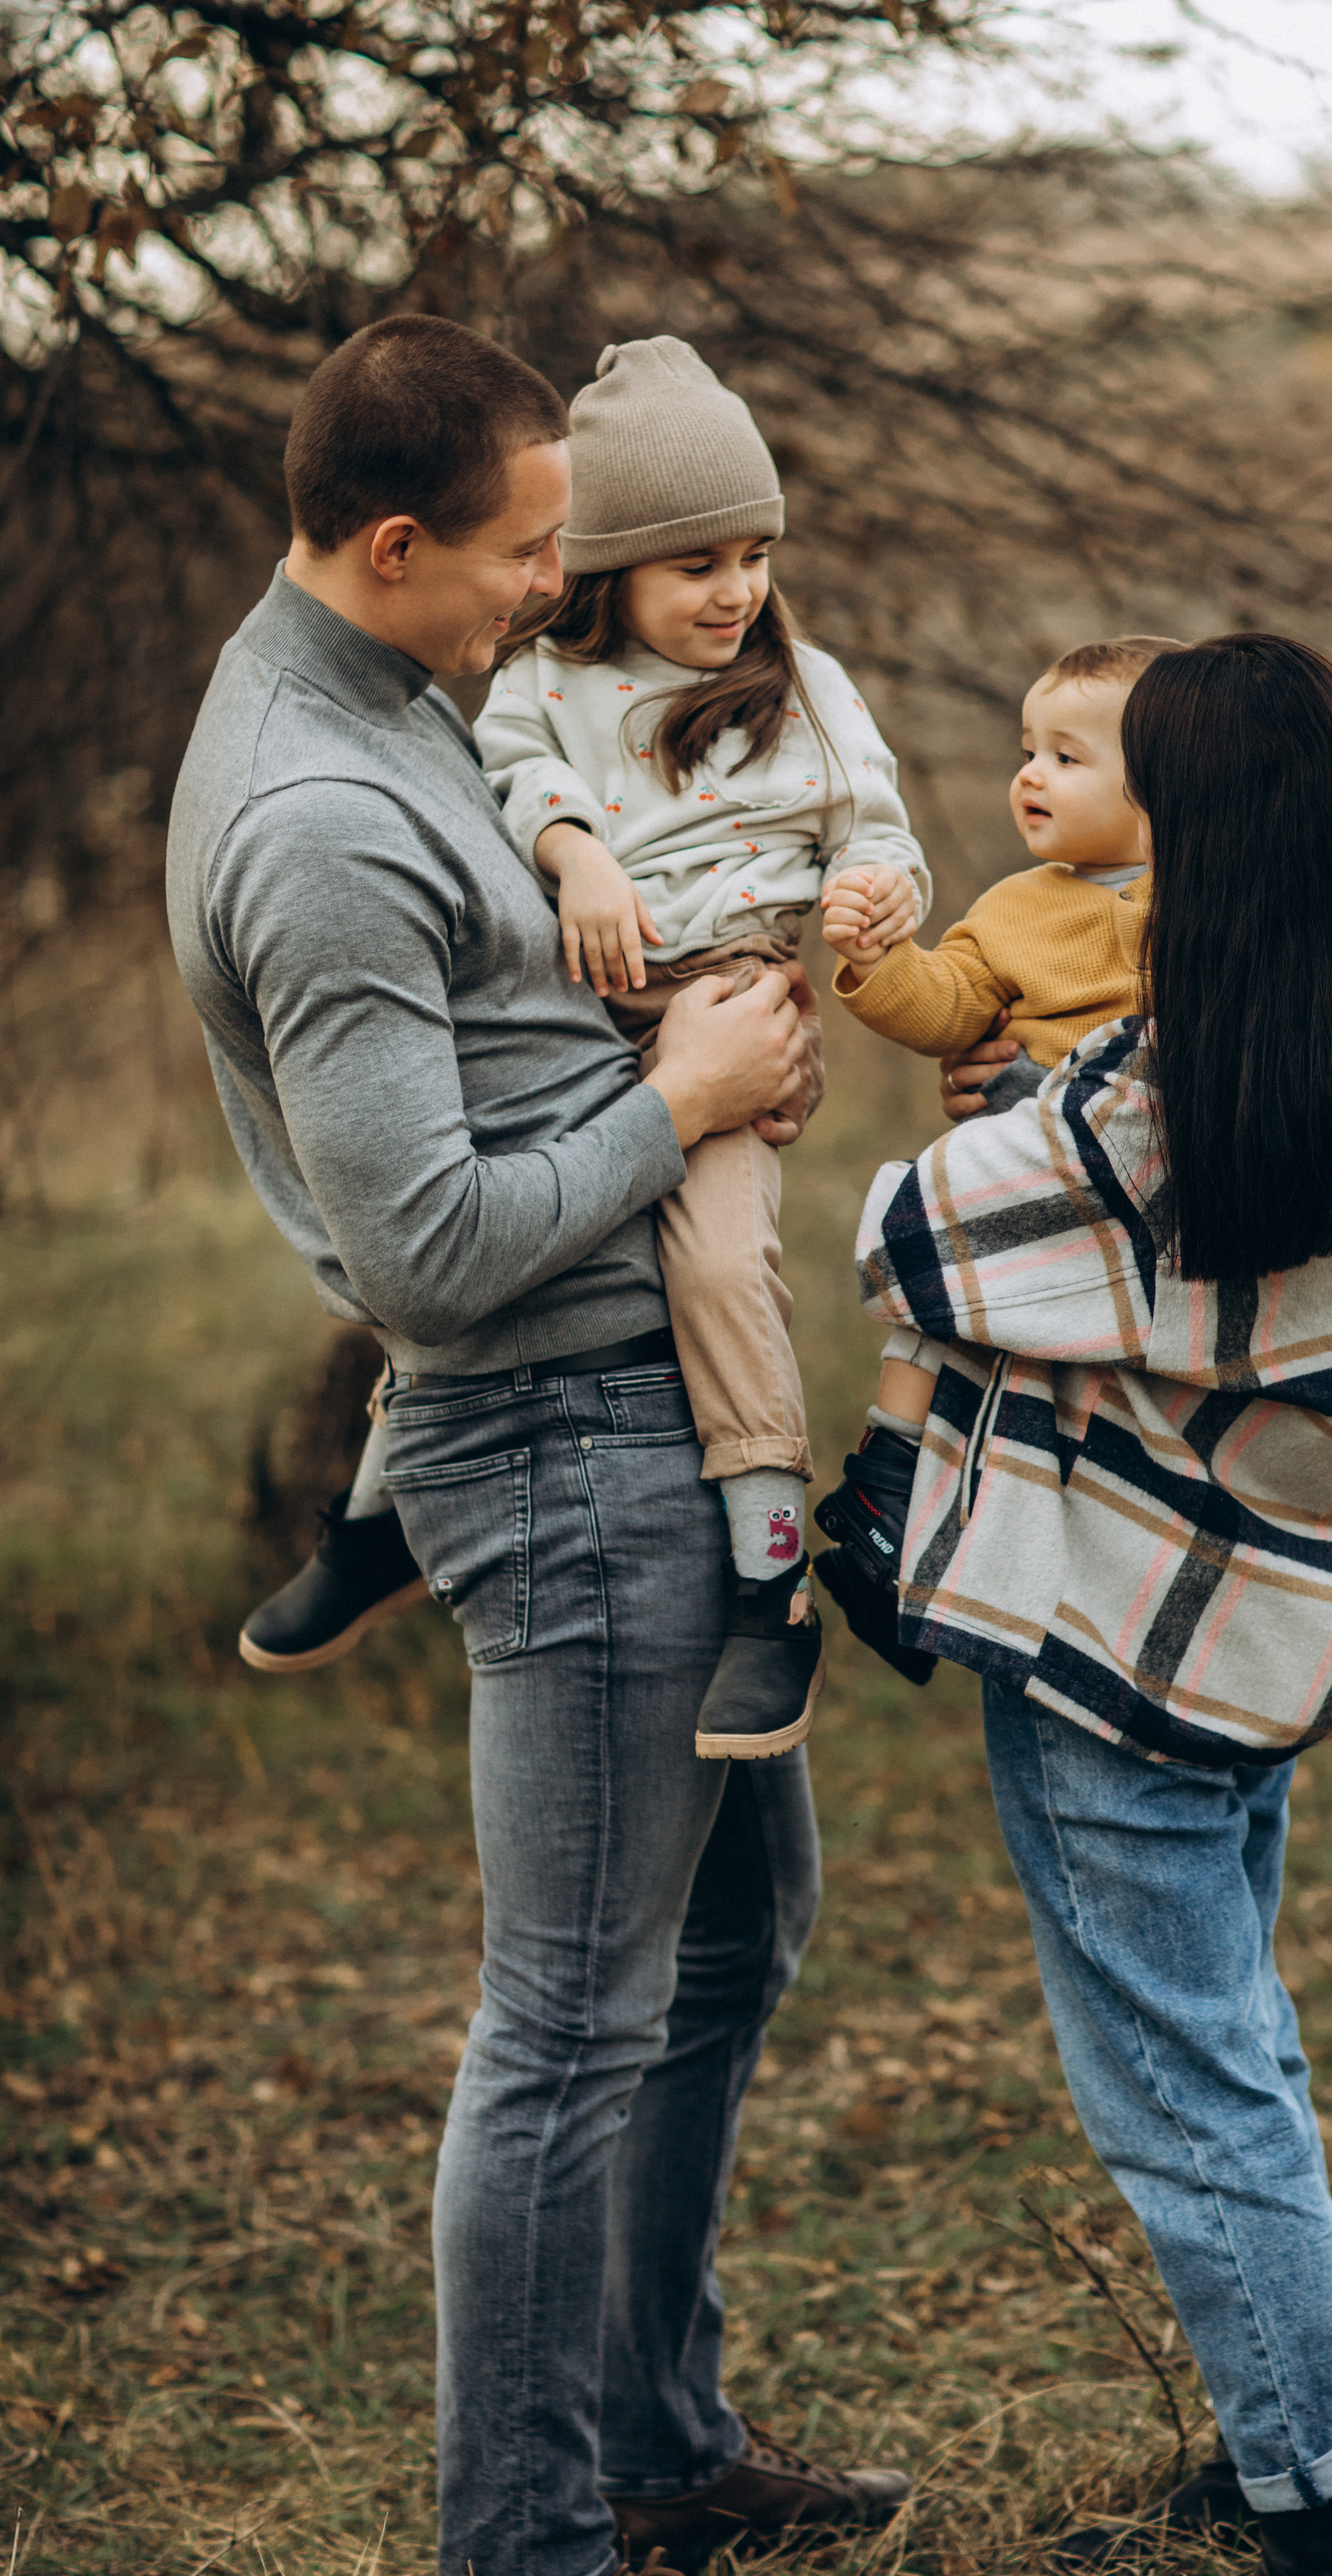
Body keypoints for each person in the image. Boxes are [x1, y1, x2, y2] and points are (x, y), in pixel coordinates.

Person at [168, 312, 908, 2576]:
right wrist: (687, 1080)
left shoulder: (404, 707)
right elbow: (428, 1252)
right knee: (572, 2028)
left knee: (732, 1943)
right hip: (565, 1443)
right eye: (517, 561)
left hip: (648, 1421)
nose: (545, 599)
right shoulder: (316, 818)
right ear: (395, 546)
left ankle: (658, 2433)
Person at [849, 634, 1332, 2576]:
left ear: (1203, 844)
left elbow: (915, 1239)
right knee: (1242, 2049)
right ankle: (1281, 2449)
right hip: (1277, 1641)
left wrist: (1008, 1095)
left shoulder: (1153, 1110)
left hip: (1122, 1663)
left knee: (1192, 2100)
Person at [239, 333, 930, 1761]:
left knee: (722, 1267)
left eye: (754, 556)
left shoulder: (810, 694)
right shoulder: (542, 684)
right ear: (611, 572)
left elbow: (878, 833)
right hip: (588, 994)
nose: (736, 591)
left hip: (727, 1003)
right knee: (457, 1218)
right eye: (697, 565)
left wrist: (875, 897)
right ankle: (375, 1520)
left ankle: (768, 1580)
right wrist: (576, 855)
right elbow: (515, 773)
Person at [812, 635, 1176, 1683]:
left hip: (1125, 1196)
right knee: (942, 1307)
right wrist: (879, 960)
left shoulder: (1204, 909)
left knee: (1010, 1360)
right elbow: (946, 1003)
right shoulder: (1019, 908)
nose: (1031, 775)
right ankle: (890, 1485)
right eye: (1029, 749)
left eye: (1068, 757)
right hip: (1026, 1177)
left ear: (1160, 790)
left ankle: (904, 1512)